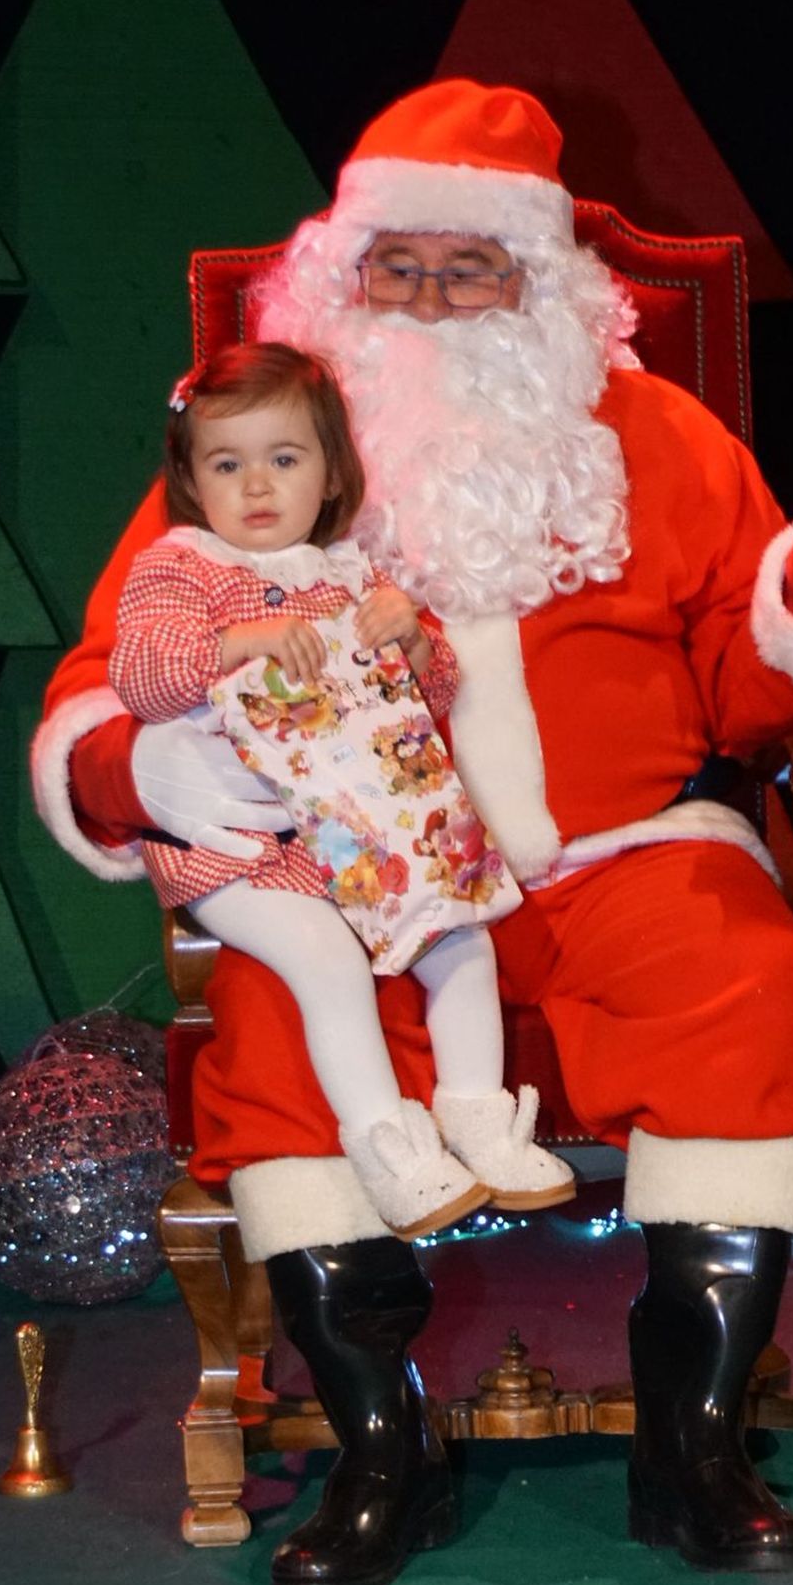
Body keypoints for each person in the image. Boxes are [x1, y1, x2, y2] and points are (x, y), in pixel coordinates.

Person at [32, 78, 793, 1585]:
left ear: (539, 284)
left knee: (745, 978)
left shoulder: (663, 439)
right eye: (395, 267)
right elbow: (104, 673)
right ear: (340, 277)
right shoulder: (262, 452)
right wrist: (139, 762)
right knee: (281, 1020)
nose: (427, 300)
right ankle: (379, 1448)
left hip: (627, 852)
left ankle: (692, 1444)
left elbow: (755, 697)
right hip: (356, 879)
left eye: (466, 267)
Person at [109, 339, 574, 1237]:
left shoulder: (352, 576)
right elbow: (142, 677)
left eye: (283, 460)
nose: (256, 487)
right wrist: (233, 646)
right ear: (190, 477)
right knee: (326, 962)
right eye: (227, 464)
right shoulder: (182, 567)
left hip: (368, 833)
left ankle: (478, 1117)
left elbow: (424, 706)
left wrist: (414, 642)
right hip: (243, 848)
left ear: (329, 474)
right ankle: (387, 1147)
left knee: (463, 938)